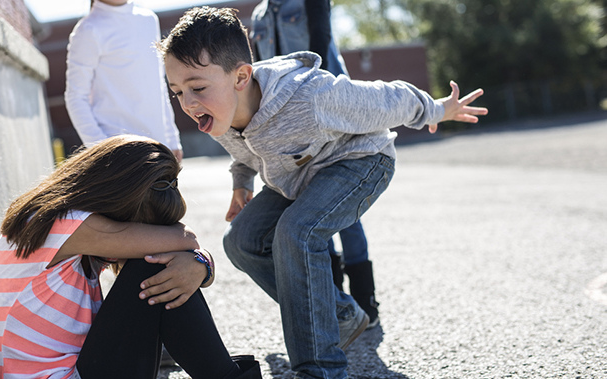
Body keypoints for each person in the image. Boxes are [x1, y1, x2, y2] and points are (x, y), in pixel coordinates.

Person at [158, 7, 487, 378]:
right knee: (241, 241)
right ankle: (340, 315)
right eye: (177, 91)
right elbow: (246, 152)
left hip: (360, 163)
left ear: (241, 76)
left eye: (197, 87)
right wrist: (241, 183)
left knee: (296, 233)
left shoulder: (309, 96)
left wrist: (437, 109)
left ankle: (322, 369)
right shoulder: (223, 114)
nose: (187, 102)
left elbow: (386, 98)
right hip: (298, 177)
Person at [0, 135, 261, 379]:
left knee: (161, 265)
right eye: (140, 226)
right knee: (151, 266)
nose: (138, 234)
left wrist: (200, 264)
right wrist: (199, 260)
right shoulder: (66, 224)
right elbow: (185, 241)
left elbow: (185, 247)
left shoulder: (59, 222)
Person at [250, 0, 381, 328]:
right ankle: (339, 304)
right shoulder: (258, 16)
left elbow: (321, 44)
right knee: (312, 208)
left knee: (344, 211)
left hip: (326, 110)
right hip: (286, 123)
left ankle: (366, 300)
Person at [64, 0, 183, 161]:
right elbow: (76, 97)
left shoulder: (148, 20)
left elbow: (158, 86)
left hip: (159, 147)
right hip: (120, 157)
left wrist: (172, 138)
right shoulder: (88, 29)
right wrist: (103, 150)